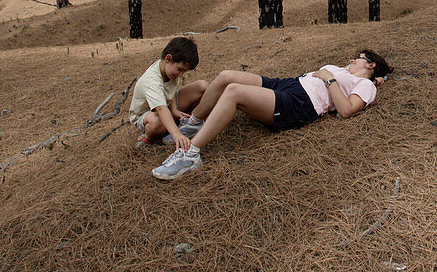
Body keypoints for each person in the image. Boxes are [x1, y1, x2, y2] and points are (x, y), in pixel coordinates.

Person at [151, 49, 393, 180]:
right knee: (226, 76)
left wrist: (329, 79)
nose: (351, 59)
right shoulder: (353, 73)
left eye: (359, 58)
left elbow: (348, 110)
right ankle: (192, 125)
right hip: (288, 84)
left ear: (371, 65)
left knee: (234, 92)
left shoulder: (366, 85)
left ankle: (191, 154)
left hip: (300, 103)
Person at [129, 36, 208, 150]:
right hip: (147, 114)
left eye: (184, 72)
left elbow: (171, 92)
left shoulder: (168, 69)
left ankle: (185, 124)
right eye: (180, 70)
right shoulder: (152, 81)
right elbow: (160, 109)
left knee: (202, 86)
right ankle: (147, 137)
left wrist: (174, 110)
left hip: (165, 108)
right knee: (158, 122)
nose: (181, 75)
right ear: (168, 58)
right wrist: (177, 135)